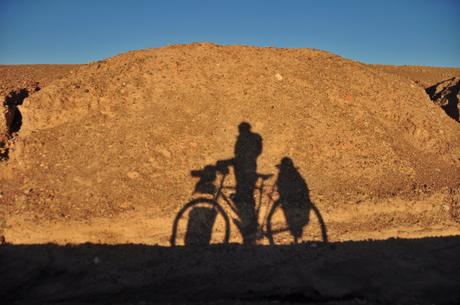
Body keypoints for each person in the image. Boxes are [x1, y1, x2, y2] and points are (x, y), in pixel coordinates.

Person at [232, 122, 262, 245]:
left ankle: (251, 233)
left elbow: (241, 158)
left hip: (244, 175)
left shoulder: (245, 140)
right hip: (246, 174)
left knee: (243, 201)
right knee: (246, 200)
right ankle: (251, 232)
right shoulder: (253, 139)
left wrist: (225, 162)